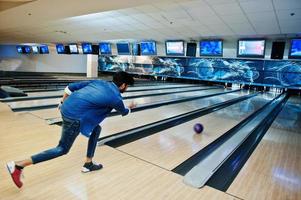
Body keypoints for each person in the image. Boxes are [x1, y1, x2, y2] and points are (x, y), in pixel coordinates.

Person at [6, 71, 136, 188]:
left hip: (66, 108)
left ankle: (88, 163)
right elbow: (124, 112)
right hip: (75, 118)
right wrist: (130, 107)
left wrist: (62, 102)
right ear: (123, 85)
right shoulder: (116, 97)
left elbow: (69, 88)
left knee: (96, 129)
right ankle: (18, 165)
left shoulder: (98, 82)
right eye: (127, 86)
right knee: (62, 149)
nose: (126, 88)